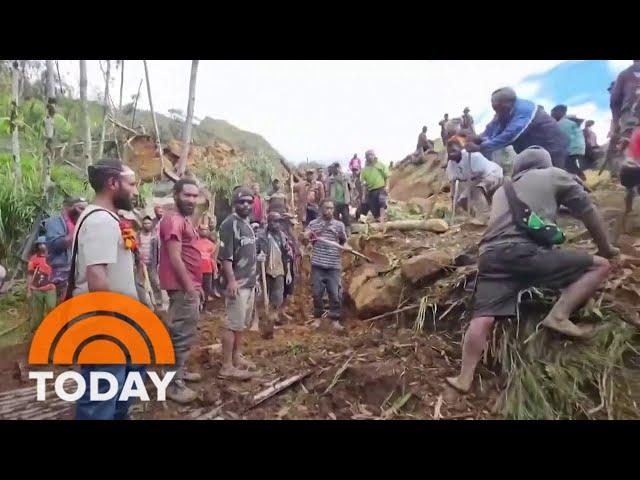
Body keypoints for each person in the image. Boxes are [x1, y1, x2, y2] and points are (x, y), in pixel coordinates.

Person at [445, 147, 619, 393]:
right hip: (526, 254)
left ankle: (464, 378)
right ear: (545, 163)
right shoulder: (554, 174)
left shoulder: (501, 191)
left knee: (482, 317)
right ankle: (559, 315)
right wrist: (606, 248)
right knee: (600, 266)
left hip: (490, 256)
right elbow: (587, 211)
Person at [71, 159, 141, 420]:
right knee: (103, 390)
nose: (135, 191)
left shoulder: (106, 218)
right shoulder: (101, 221)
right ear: (113, 184)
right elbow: (96, 275)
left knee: (123, 378)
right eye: (131, 184)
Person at [158, 178, 204, 403]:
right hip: (181, 287)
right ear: (176, 194)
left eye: (195, 196)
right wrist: (189, 288)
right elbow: (175, 257)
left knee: (185, 332)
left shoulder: (183, 219)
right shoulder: (173, 220)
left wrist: (196, 286)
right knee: (180, 334)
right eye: (187, 195)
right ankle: (172, 384)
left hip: (188, 286)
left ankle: (179, 372)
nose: (191, 200)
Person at [466, 87, 568, 169]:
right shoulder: (504, 110)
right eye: (495, 109)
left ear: (508, 104)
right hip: (529, 150)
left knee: (555, 177)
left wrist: (481, 147)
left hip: (552, 147)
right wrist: (479, 138)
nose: (497, 113)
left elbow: (510, 135)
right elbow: (492, 128)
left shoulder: (525, 110)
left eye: (499, 109)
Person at [218, 187, 259, 380]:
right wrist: (231, 281)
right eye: (242, 202)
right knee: (231, 324)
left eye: (249, 202)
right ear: (235, 203)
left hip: (249, 282)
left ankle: (236, 356)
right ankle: (226, 366)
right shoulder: (229, 224)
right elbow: (225, 257)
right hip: (237, 283)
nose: (246, 205)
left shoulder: (247, 224)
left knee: (241, 324)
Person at [305, 200, 348, 332]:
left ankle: (334, 319)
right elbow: (307, 236)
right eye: (326, 208)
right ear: (321, 209)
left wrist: (346, 247)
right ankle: (318, 318)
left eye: (331, 208)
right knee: (317, 293)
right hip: (318, 263)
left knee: (334, 293)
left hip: (334, 265)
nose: (329, 211)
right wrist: (306, 237)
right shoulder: (314, 224)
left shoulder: (339, 226)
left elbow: (344, 241)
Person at [446, 138, 503, 220]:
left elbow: (481, 176)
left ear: (461, 149)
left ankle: (484, 216)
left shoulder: (473, 156)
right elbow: (453, 184)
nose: (451, 154)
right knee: (462, 200)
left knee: (477, 191)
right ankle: (476, 216)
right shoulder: (451, 164)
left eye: (454, 151)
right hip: (473, 180)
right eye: (449, 152)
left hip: (492, 174)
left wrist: (468, 190)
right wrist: (454, 200)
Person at [45, 196, 88, 302]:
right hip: (60, 273)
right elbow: (56, 245)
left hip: (79, 272)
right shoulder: (54, 222)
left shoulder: (85, 222)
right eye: (80, 208)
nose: (83, 212)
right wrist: (79, 225)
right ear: (67, 208)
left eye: (85, 209)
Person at [257, 212, 294, 326]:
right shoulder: (261, 236)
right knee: (262, 296)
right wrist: (258, 256)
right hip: (265, 269)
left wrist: (288, 273)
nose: (276, 224)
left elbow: (287, 255)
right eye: (274, 221)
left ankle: (272, 317)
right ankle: (259, 318)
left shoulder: (282, 237)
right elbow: (254, 251)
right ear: (269, 222)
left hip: (279, 269)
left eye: (278, 222)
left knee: (278, 295)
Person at [27, 237, 57, 332]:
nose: (41, 246)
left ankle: (51, 329)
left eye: (43, 243)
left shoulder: (53, 257)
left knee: (51, 307)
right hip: (37, 289)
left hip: (50, 288)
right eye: (39, 244)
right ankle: (36, 331)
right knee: (37, 313)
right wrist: (28, 289)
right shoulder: (33, 259)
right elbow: (30, 274)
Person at [609, 60, 640, 152]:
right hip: (631, 114)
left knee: (630, 144)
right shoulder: (624, 75)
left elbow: (615, 100)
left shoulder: (624, 74)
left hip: (630, 115)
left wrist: (616, 121)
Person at [551, 105, 586, 179]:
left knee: (570, 166)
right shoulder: (569, 122)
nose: (552, 116)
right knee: (572, 165)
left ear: (560, 112)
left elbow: (561, 139)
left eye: (553, 114)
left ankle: (582, 181)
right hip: (578, 148)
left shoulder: (562, 123)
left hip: (572, 149)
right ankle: (580, 179)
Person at [137, 215, 162, 310]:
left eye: (148, 223)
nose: (147, 225)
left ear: (151, 224)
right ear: (142, 225)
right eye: (145, 223)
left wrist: (159, 263)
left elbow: (159, 251)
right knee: (141, 285)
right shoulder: (138, 235)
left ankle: (159, 304)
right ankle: (145, 306)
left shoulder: (155, 237)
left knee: (155, 284)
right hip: (140, 264)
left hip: (152, 264)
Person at [361, 149, 389, 224]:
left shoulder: (380, 165)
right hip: (371, 190)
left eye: (371, 155)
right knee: (373, 206)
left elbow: (386, 176)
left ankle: (382, 219)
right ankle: (378, 219)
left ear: (374, 155)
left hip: (381, 188)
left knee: (382, 203)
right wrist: (363, 195)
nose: (370, 157)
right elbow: (364, 183)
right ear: (366, 157)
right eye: (368, 155)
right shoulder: (364, 169)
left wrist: (387, 186)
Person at [195, 225, 217, 310]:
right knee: (197, 289)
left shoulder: (212, 245)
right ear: (198, 231)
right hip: (197, 270)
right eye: (202, 229)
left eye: (206, 229)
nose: (204, 231)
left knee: (207, 289)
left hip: (208, 270)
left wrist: (215, 270)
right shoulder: (194, 243)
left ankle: (204, 307)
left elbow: (213, 259)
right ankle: (198, 306)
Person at [326, 162, 353, 233]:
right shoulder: (330, 179)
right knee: (335, 219)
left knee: (346, 218)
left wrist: (350, 198)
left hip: (344, 201)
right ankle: (337, 233)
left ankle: (348, 233)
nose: (333, 170)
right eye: (332, 168)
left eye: (334, 168)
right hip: (334, 202)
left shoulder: (345, 177)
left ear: (337, 168)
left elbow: (351, 187)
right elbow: (328, 191)